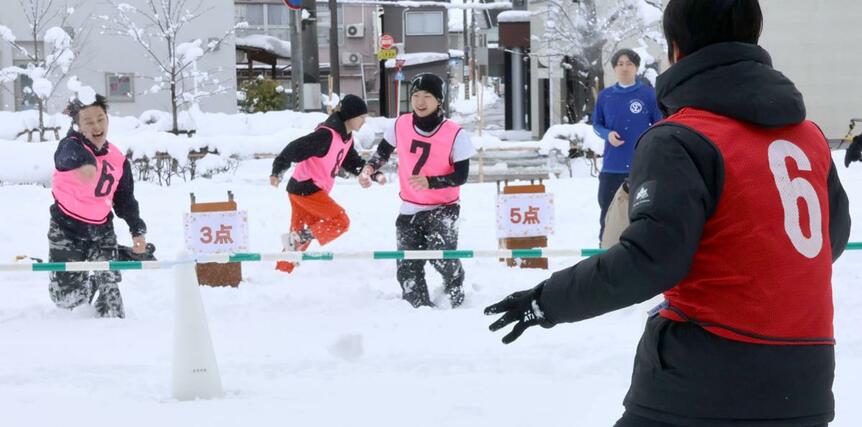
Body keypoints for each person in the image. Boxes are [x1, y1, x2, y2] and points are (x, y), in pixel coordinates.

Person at [485, 1, 851, 426]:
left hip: (700, 381)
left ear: (676, 49)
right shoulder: (808, 137)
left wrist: (547, 301)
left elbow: (649, 260)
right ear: (754, 38)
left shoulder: (681, 137)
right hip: (807, 379)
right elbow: (831, 239)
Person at [361, 73, 475, 308]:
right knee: (407, 265)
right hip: (410, 206)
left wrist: (431, 182)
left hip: (443, 208)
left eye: (427, 96)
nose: (420, 102)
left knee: (440, 256)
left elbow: (461, 176)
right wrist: (369, 168)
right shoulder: (400, 124)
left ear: (439, 101)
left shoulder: (455, 133)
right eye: (415, 96)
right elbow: (383, 152)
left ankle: (455, 293)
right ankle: (417, 306)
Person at [50, 94, 149, 318]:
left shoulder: (117, 158)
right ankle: (90, 282)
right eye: (89, 122)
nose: (96, 126)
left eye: (101, 119)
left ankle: (115, 327)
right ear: (78, 126)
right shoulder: (70, 145)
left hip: (101, 230)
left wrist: (137, 229)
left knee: (110, 287)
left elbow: (125, 199)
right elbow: (65, 157)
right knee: (65, 299)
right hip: (65, 228)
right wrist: (84, 163)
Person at [270, 94, 373, 273]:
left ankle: (281, 273)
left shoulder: (346, 137)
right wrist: (278, 170)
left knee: (302, 234)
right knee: (340, 221)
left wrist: (368, 172)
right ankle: (297, 240)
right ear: (350, 115)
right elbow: (294, 148)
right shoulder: (326, 135)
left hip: (303, 188)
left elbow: (351, 161)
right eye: (362, 117)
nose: (364, 121)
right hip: (307, 188)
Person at [592, 48, 663, 241]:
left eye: (629, 64)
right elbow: (596, 125)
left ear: (637, 68)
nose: (624, 68)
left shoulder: (648, 95)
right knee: (608, 214)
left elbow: (660, 125)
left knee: (643, 216)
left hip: (642, 167)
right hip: (612, 168)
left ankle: (641, 256)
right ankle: (604, 256)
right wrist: (608, 135)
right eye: (620, 64)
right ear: (614, 68)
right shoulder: (605, 96)